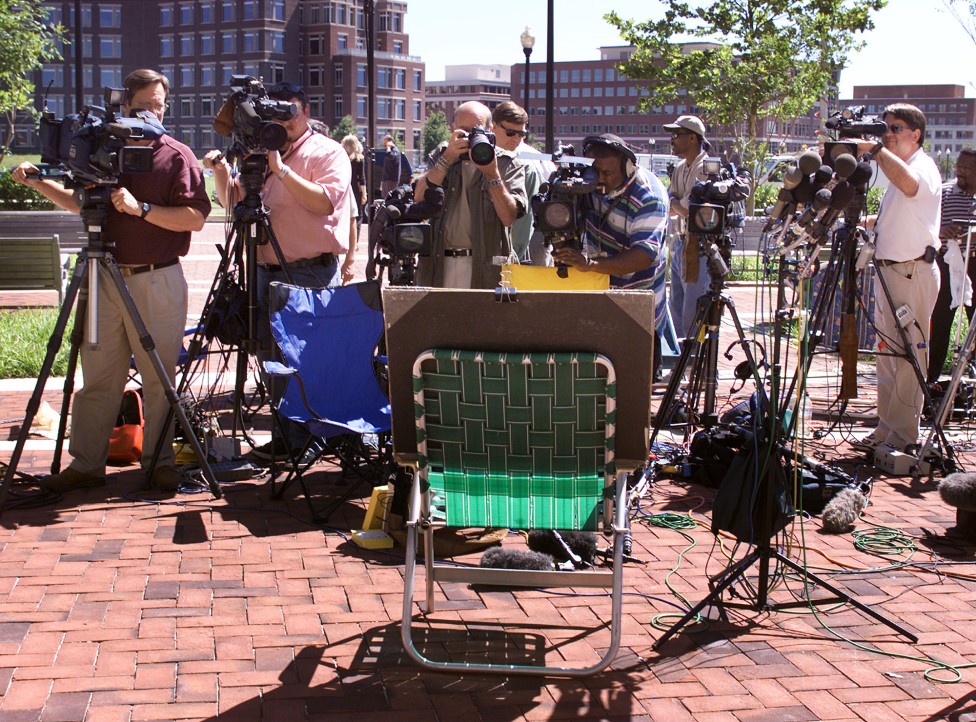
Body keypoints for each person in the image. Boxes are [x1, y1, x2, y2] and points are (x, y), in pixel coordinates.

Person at [12, 68, 211, 492]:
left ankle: (159, 464)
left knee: (159, 379)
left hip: (157, 279)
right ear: (123, 106)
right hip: (103, 277)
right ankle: (86, 465)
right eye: (144, 106)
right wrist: (38, 182)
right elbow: (79, 203)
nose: (153, 113)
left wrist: (142, 209)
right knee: (99, 377)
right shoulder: (101, 149)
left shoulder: (176, 155)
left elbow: (195, 217)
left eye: (159, 105)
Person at [204, 80, 352, 462]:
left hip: (308, 273)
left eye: (289, 113)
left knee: (306, 359)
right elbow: (234, 201)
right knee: (271, 357)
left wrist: (282, 170)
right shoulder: (261, 151)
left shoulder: (327, 152)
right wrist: (222, 170)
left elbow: (325, 203)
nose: (283, 121)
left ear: (306, 111)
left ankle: (313, 438)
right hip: (264, 272)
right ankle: (286, 438)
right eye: (275, 113)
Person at [851, 104, 942, 455]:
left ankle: (903, 436)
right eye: (884, 127)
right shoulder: (898, 170)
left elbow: (910, 186)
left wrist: (875, 149)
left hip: (911, 272)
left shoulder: (922, 167)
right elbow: (903, 213)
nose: (887, 133)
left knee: (908, 356)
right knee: (888, 355)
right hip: (891, 272)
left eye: (896, 128)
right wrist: (865, 222)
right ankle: (886, 427)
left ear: (916, 134)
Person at [550, 133, 669, 378]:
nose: (600, 180)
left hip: (638, 304)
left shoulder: (649, 197)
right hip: (602, 296)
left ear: (627, 168)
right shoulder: (589, 183)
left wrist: (590, 264)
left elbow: (643, 256)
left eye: (607, 173)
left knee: (635, 383)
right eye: (595, 172)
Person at [415, 100, 526, 289]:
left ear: (490, 129)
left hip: (484, 266)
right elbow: (419, 197)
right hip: (440, 262)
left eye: (476, 130)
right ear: (454, 128)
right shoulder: (443, 154)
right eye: (464, 130)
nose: (469, 137)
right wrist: (447, 159)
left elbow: (508, 217)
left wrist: (492, 174)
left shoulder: (506, 162)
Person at [927, 148, 976, 385]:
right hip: (947, 263)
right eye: (959, 166)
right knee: (940, 322)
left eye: (967, 168)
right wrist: (943, 232)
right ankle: (930, 380)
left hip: (974, 263)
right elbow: (928, 226)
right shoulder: (945, 192)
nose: (960, 172)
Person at [490, 101, 554, 263]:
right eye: (510, 133)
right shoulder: (482, 155)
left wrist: (513, 256)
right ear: (493, 126)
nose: (516, 139)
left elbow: (523, 221)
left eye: (521, 134)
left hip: (520, 250)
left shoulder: (526, 164)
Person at [665, 115, 712, 338]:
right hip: (680, 242)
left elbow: (687, 209)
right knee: (675, 308)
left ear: (693, 138)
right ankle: (679, 357)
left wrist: (676, 203)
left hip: (698, 246)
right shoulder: (680, 168)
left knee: (691, 314)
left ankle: (694, 358)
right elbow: (668, 205)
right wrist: (676, 204)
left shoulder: (706, 167)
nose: (672, 140)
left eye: (676, 134)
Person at [341, 134, 368, 284]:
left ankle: (348, 239)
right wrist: (364, 193)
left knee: (347, 215)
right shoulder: (360, 159)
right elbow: (362, 178)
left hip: (345, 186)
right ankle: (355, 242)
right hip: (356, 188)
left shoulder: (343, 157)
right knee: (358, 216)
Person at [380, 134, 401, 199]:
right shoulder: (390, 151)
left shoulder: (395, 151)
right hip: (386, 179)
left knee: (389, 199)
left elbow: (390, 156)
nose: (385, 146)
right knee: (385, 199)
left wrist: (388, 147)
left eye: (385, 143)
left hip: (391, 180)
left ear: (390, 142)